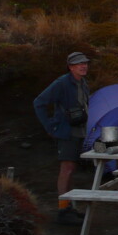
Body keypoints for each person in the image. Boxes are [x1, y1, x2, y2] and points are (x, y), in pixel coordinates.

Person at [34, 52, 91, 225]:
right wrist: (50, 126)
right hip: (67, 133)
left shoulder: (83, 83)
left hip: (79, 131)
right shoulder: (62, 83)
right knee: (66, 169)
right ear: (70, 67)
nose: (83, 66)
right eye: (79, 64)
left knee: (71, 169)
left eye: (85, 63)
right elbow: (39, 102)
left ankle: (69, 207)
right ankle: (63, 210)